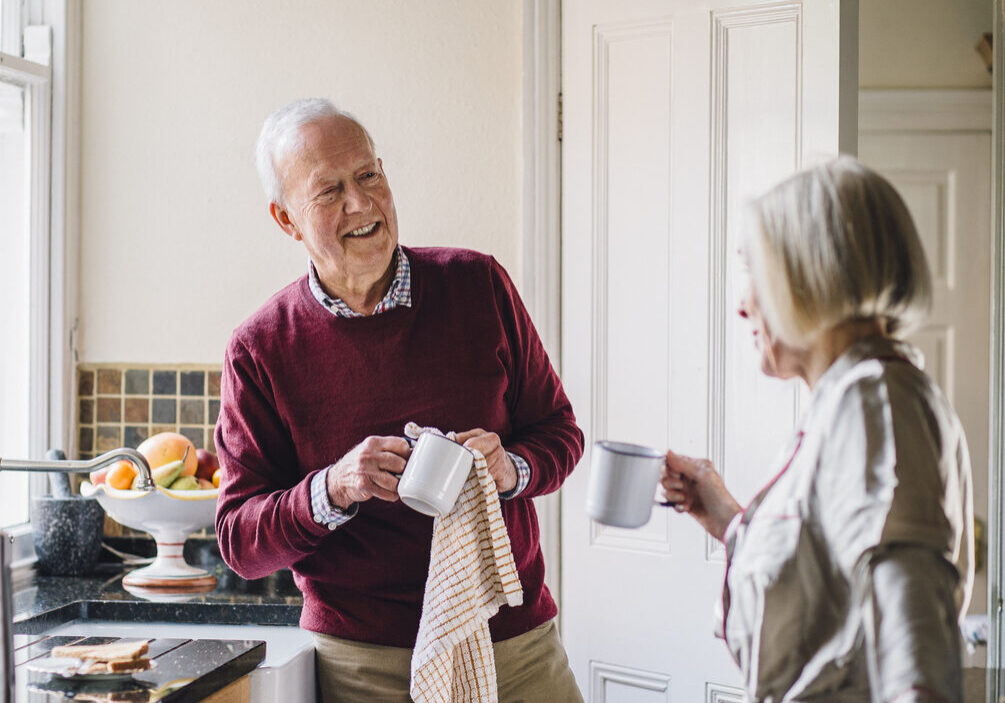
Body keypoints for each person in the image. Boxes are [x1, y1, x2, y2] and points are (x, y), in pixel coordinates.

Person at [214, 98, 585, 703]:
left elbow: (560, 434)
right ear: (287, 220)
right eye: (328, 191)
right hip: (364, 667)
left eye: (368, 175)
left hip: (514, 647)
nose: (360, 204)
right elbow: (239, 542)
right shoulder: (260, 349)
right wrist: (332, 488)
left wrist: (510, 468)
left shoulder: (479, 285)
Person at [661, 157, 974, 702]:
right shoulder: (852, 401)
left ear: (809, 274)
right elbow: (830, 598)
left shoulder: (875, 403)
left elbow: (913, 639)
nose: (742, 305)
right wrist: (730, 521)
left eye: (752, 270)